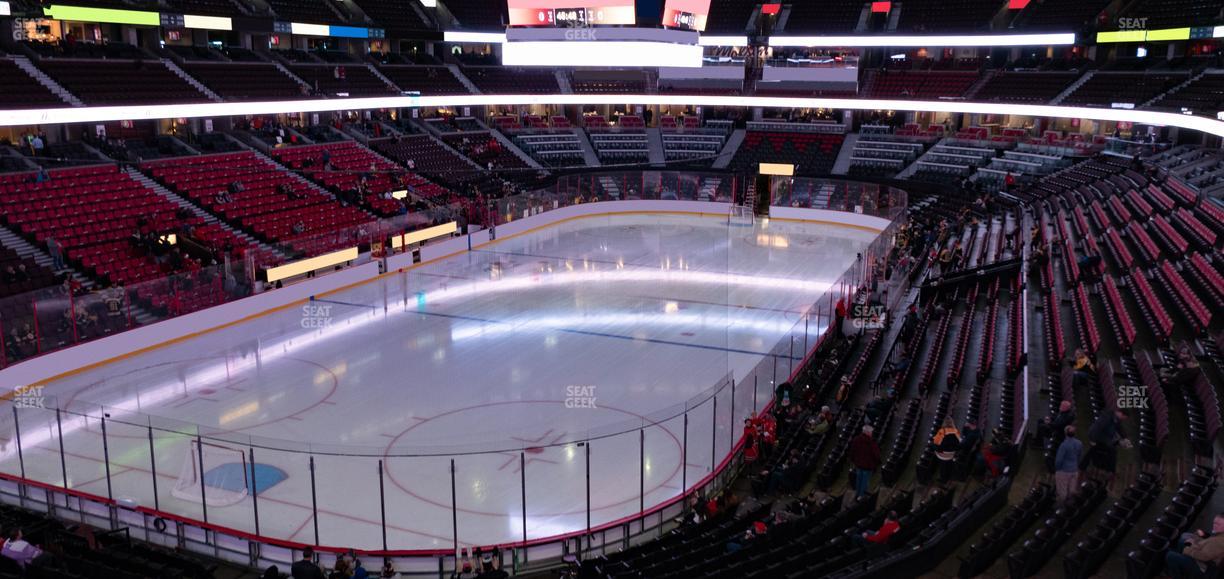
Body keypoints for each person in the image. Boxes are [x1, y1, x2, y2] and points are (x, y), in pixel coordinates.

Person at [1164, 513, 1224, 579]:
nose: (1214, 525)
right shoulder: (1219, 534)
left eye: (1218, 524)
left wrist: (1190, 547)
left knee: (1170, 555)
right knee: (1183, 540)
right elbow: (1209, 542)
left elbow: (1203, 556)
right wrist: (1199, 538)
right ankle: (1181, 568)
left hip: (1202, 567)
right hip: (1202, 559)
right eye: (1214, 523)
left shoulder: (1219, 542)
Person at [1086, 408, 1130, 484]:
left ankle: (1108, 469)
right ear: (1120, 413)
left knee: (1115, 445)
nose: (1123, 419)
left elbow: (1119, 428)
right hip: (1097, 437)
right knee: (1113, 450)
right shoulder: (1107, 417)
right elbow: (1099, 430)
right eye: (1124, 417)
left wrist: (1125, 438)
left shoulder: (1115, 418)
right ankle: (1110, 471)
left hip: (1104, 438)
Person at [849, 425, 881, 497]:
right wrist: (877, 463)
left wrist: (853, 460)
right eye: (871, 432)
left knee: (859, 480)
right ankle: (861, 496)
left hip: (858, 464)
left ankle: (857, 494)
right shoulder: (872, 442)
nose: (872, 433)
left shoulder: (856, 439)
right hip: (868, 466)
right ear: (868, 433)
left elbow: (852, 451)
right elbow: (876, 455)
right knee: (864, 482)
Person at [1054, 425, 1082, 505]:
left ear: (1065, 433)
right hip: (1074, 470)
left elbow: (1059, 460)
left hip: (1064, 471)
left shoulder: (1064, 445)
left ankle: (1060, 508)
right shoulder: (1079, 443)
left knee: (1062, 493)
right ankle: (1069, 507)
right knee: (1071, 491)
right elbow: (1079, 456)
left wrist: (1057, 469)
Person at [933, 417, 961, 482]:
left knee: (943, 468)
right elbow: (959, 443)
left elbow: (936, 444)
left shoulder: (941, 431)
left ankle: (943, 479)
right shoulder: (956, 431)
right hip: (951, 454)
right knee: (948, 465)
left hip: (943, 455)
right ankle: (949, 475)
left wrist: (935, 448)